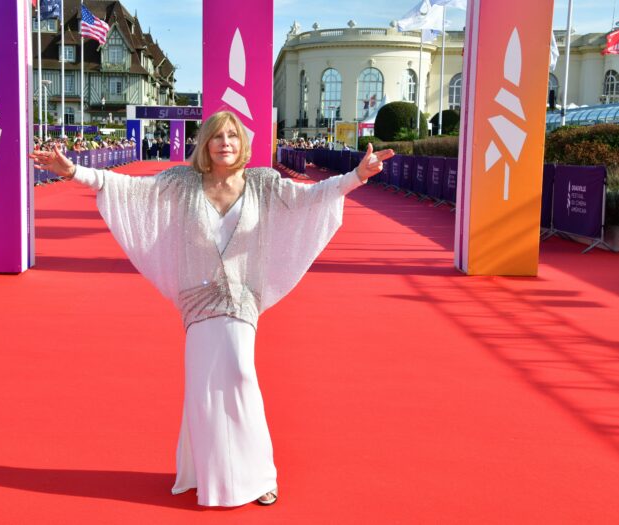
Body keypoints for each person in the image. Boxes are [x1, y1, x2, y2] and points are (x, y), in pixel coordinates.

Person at [30, 111, 393, 508]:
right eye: (217, 136)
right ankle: (206, 471)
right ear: (205, 143)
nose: (225, 143)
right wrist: (73, 171)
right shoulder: (182, 182)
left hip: (241, 297)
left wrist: (356, 176)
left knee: (240, 373)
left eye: (233, 136)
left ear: (243, 144)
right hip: (197, 299)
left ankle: (260, 475)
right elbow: (126, 187)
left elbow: (312, 196)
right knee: (202, 385)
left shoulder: (263, 183)